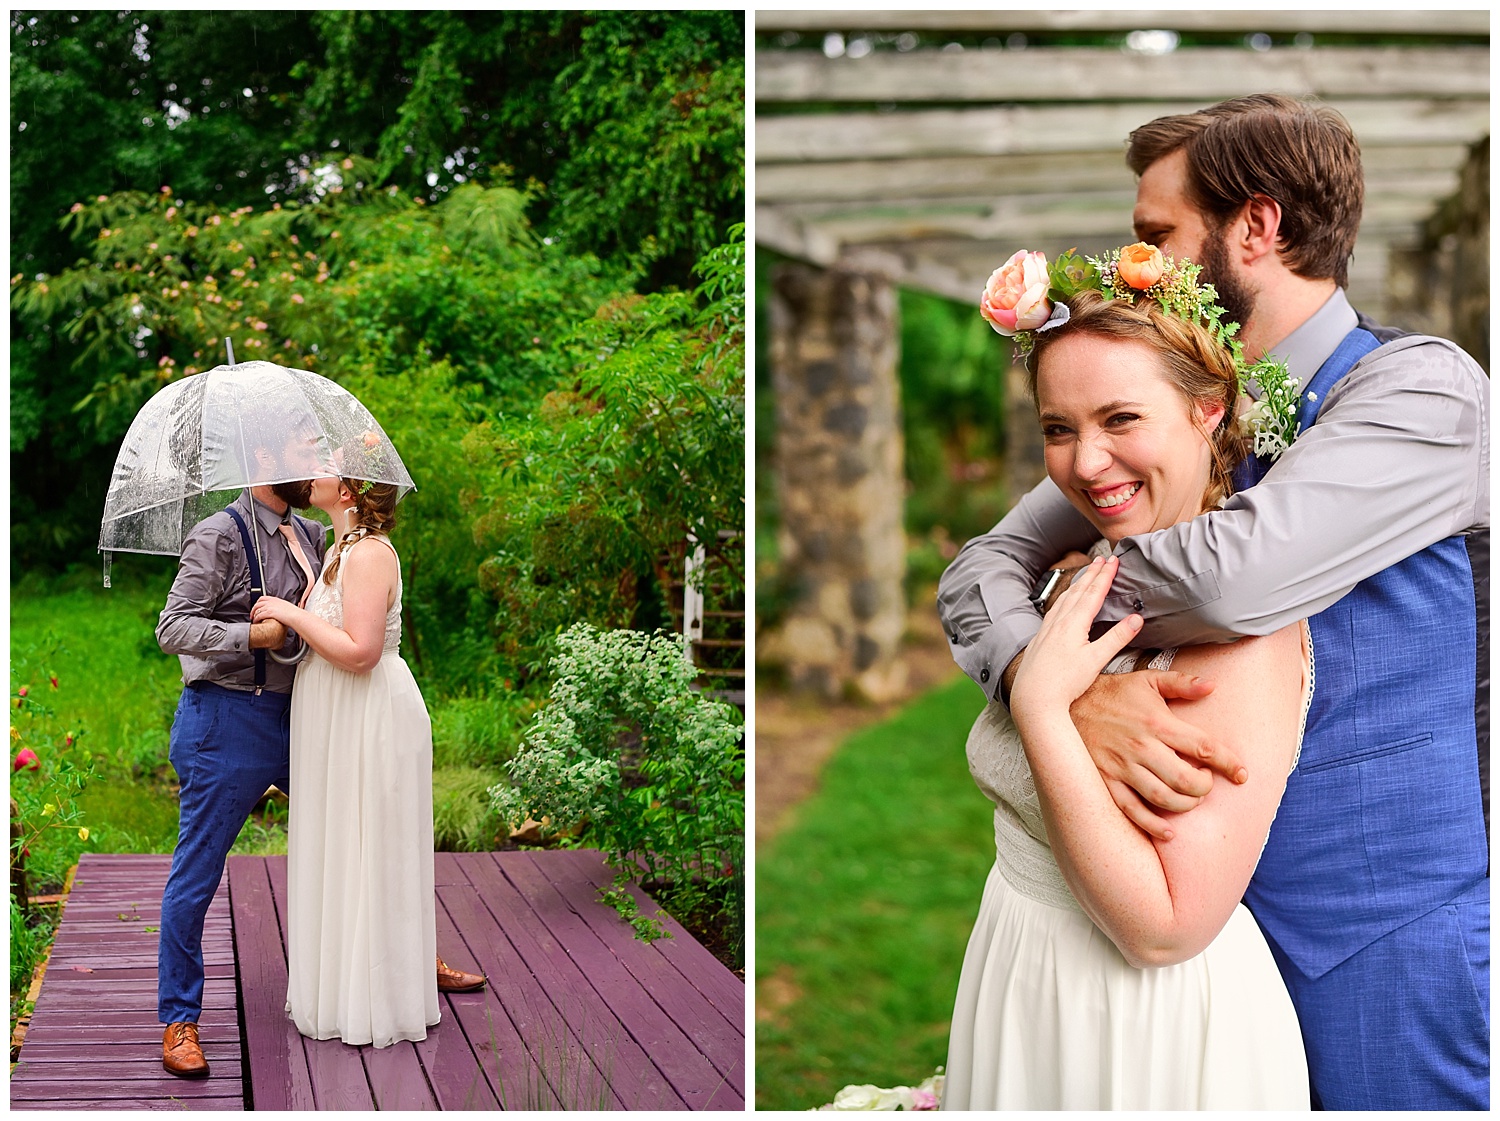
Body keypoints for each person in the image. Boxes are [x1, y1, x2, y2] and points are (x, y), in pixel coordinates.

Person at [937, 94, 1488, 1109]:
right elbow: (980, 566)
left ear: (1258, 226)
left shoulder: (1422, 392)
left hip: (1374, 938)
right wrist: (1039, 681)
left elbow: (1236, 577)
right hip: (1187, 940)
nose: (1136, 263)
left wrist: (1066, 610)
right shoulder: (1153, 412)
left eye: (1156, 236)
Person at [943, 269, 1310, 1109]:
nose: (1086, 461)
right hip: (1023, 970)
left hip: (1143, 1023)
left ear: (1208, 408)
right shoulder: (1090, 570)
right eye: (1059, 428)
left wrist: (1040, 705)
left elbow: (1163, 925)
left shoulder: (1240, 629)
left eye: (1120, 419)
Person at [249, 469, 471, 1048]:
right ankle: (338, 988)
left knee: (371, 849)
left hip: (368, 713)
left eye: (326, 466)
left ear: (347, 492)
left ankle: (376, 1001)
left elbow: (361, 652)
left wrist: (290, 613)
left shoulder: (370, 554)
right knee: (342, 847)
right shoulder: (335, 547)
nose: (310, 471)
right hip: (334, 713)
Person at [156, 430, 328, 1077]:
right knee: (197, 874)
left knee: (355, 835)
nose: (314, 467)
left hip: (302, 718)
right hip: (224, 721)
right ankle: (179, 1019)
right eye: (302, 454)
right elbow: (172, 626)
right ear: (263, 461)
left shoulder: (310, 537)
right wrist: (248, 632)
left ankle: (404, 960)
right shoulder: (218, 535)